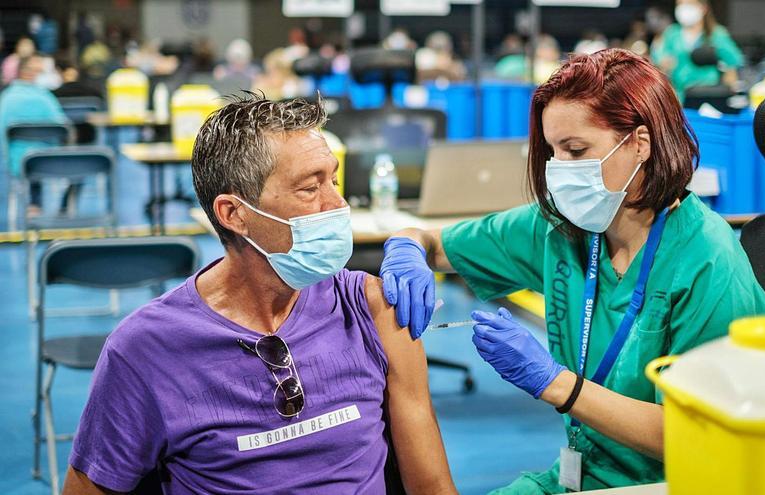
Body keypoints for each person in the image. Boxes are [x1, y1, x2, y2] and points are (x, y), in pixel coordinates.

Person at [379, 49, 765, 493]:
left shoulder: (709, 264)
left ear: (640, 142)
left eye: (576, 150)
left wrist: (555, 383)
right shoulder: (564, 229)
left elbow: (700, 437)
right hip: (580, 477)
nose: (559, 169)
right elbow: (435, 242)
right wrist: (406, 247)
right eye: (552, 151)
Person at [62, 96, 457, 495]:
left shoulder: (372, 309)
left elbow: (433, 487)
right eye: (309, 188)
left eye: (333, 181)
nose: (337, 205)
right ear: (235, 214)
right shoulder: (146, 350)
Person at [0, 54, 67, 217]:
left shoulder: (6, 99)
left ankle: (33, 205)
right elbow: (63, 126)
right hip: (49, 161)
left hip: (18, 164)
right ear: (32, 73)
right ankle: (55, 207)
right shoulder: (46, 97)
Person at [651, 0, 744, 99]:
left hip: (708, 96)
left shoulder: (717, 34)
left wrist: (730, 82)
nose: (683, 8)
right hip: (678, 97)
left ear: (703, 7)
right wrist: (663, 64)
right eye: (680, 4)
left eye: (689, 4)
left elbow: (734, 62)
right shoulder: (671, 33)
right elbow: (658, 59)